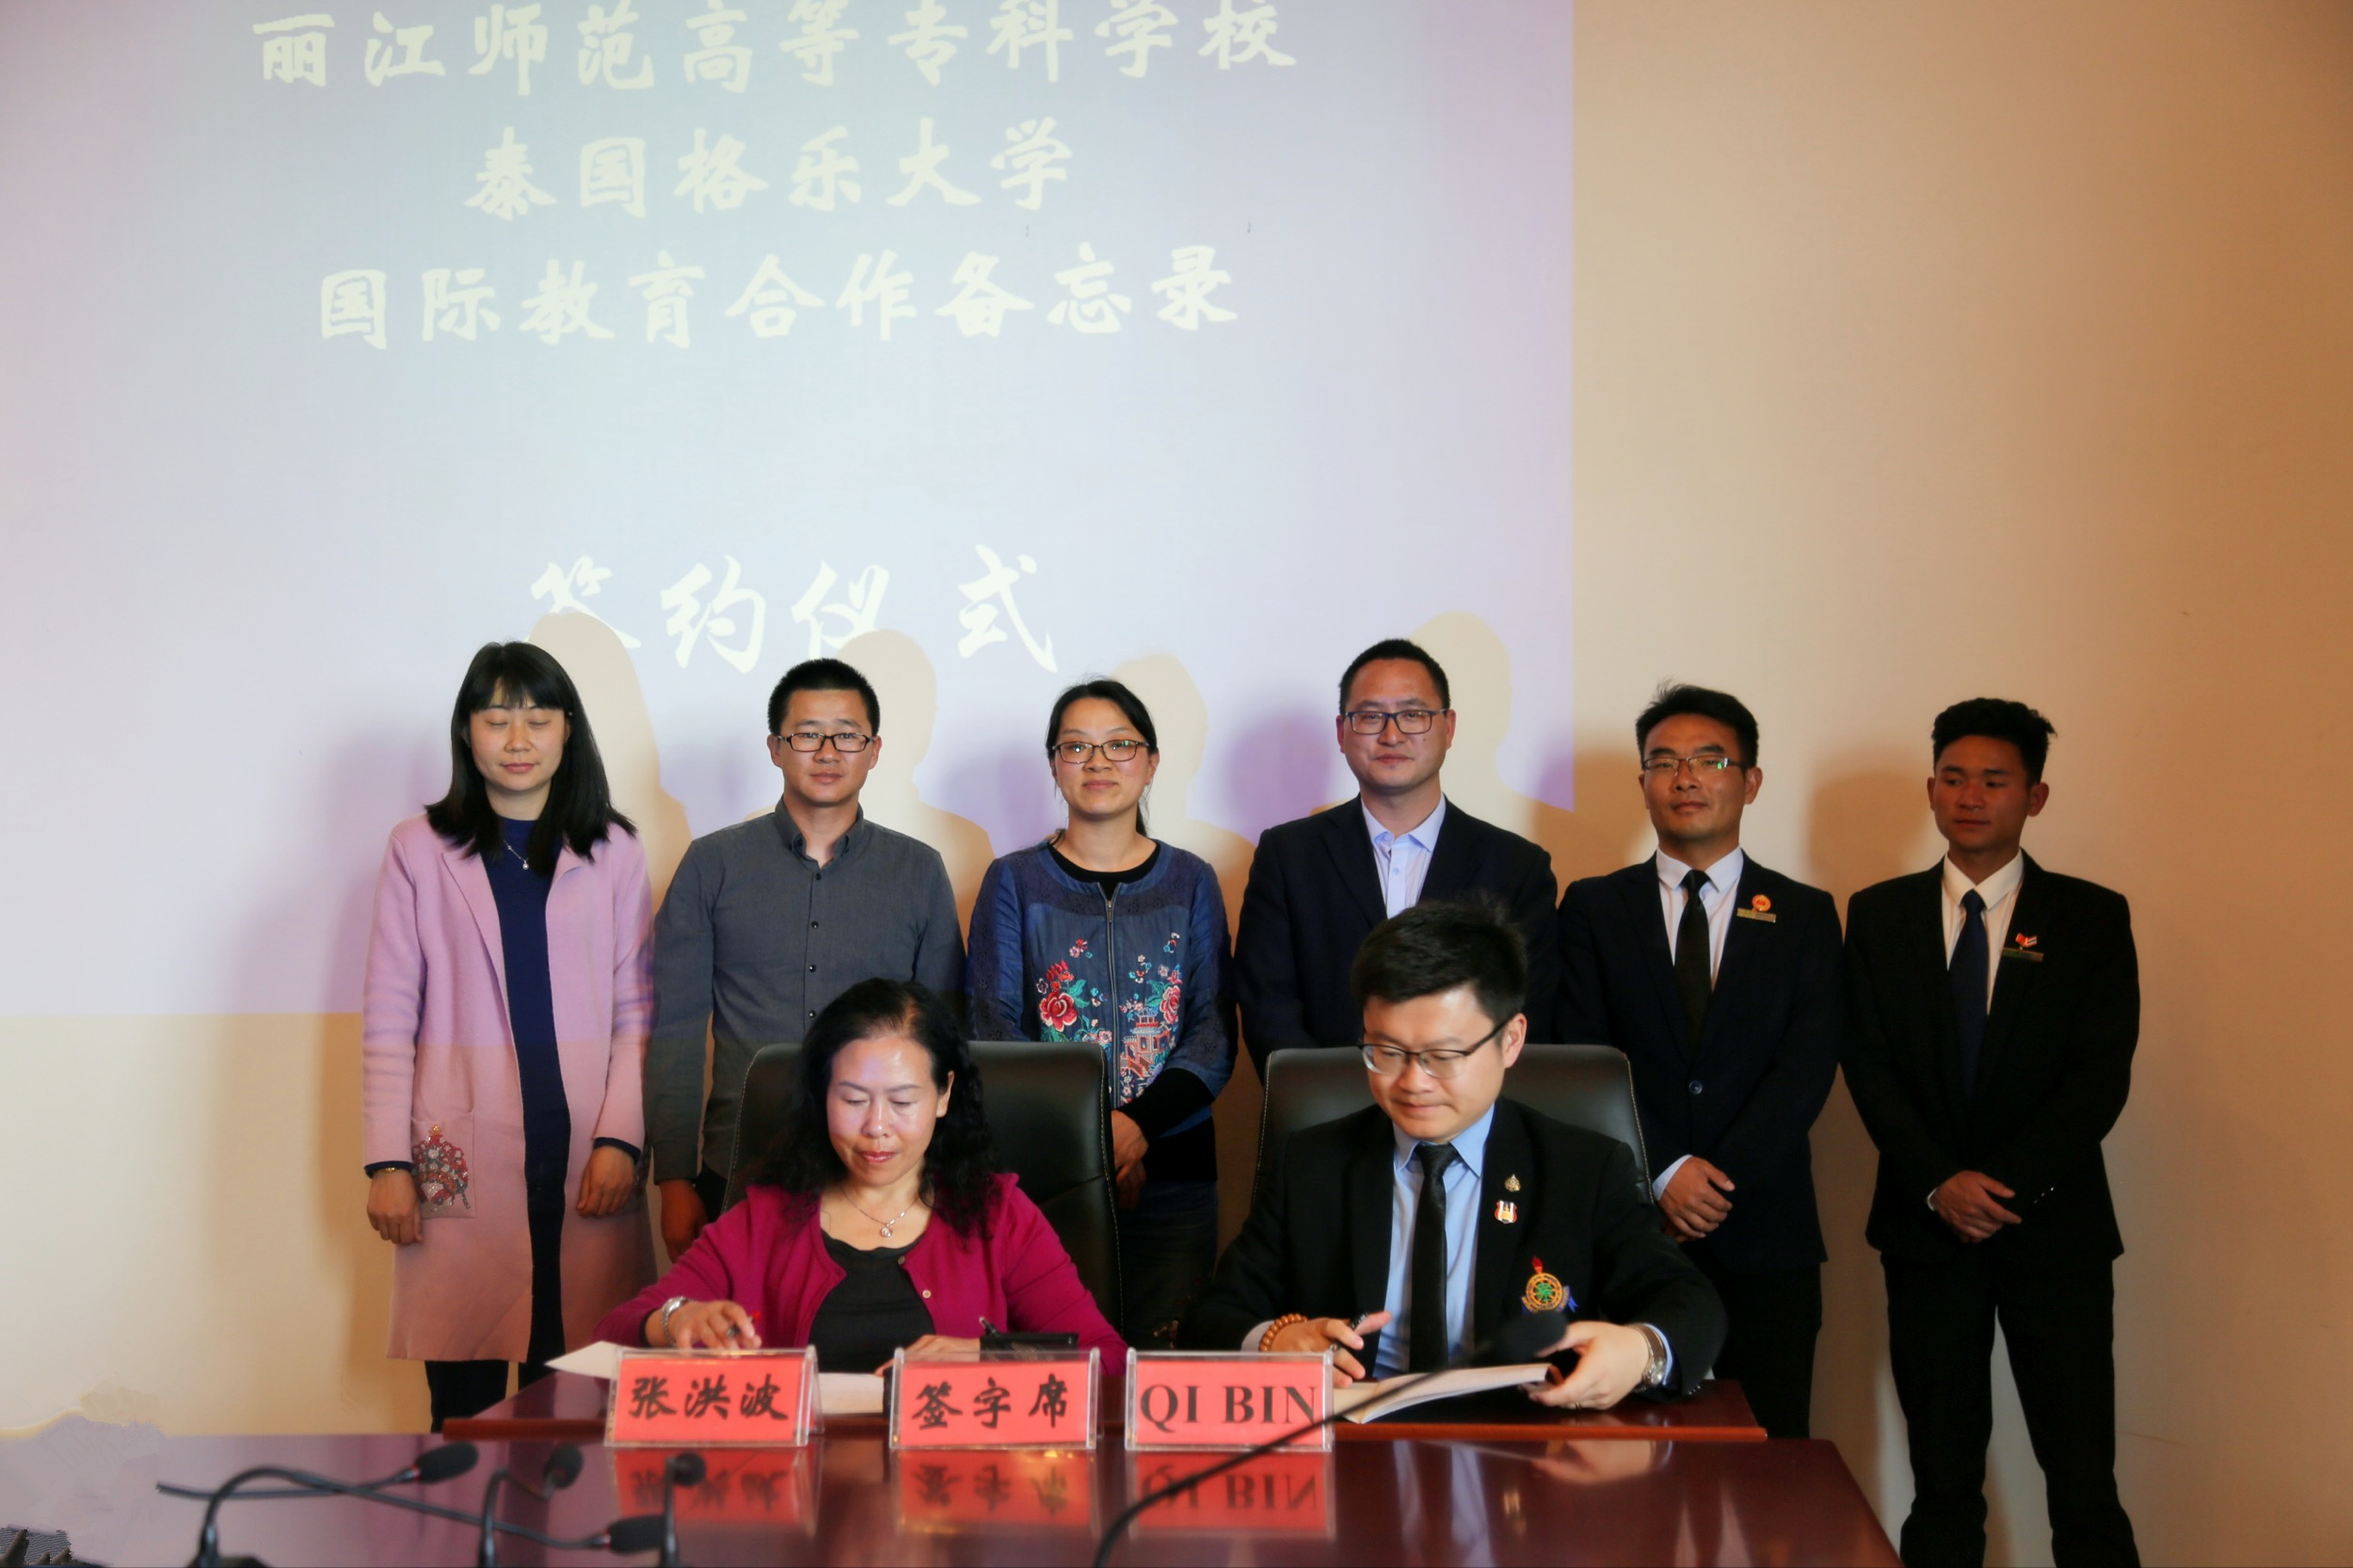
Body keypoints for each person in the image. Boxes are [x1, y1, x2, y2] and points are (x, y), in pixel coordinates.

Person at [1185, 900, 1724, 1411]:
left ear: (1510, 1040)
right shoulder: (1314, 1163)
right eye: (1386, 1051)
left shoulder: (1583, 1168)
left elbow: (1689, 1305)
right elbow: (1211, 1317)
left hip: (1524, 1443)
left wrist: (1642, 1351)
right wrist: (1274, 1341)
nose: (1413, 1082)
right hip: (1358, 1444)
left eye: (1443, 1055)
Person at [1843, 699, 2139, 1568]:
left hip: (2054, 1233)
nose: (1971, 796)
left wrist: (2001, 1186)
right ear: (1931, 789)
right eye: (1954, 778)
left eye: (1995, 780)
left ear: (2035, 797)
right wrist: (1940, 1181)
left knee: (2083, 1484)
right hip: (1926, 1231)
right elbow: (1867, 1065)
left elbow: (2098, 1078)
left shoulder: (2091, 917)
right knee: (1941, 1485)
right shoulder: (1880, 913)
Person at [361, 641, 654, 1431]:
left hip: (587, 1151)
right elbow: (389, 1016)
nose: (517, 740)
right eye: (496, 720)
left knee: (584, 1412)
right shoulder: (419, 848)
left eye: (538, 718)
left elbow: (638, 1010)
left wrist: (621, 1140)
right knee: (468, 1411)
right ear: (467, 732)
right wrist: (388, 1162)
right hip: (462, 1144)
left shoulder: (614, 848)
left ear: (569, 729)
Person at [1554, 684, 1841, 1438]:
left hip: (1766, 1235)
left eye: (1710, 761)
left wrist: (1716, 1182)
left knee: (1769, 1456)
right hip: (1630, 1230)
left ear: (1750, 781)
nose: (1685, 778)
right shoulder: (1593, 907)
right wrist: (1664, 1171)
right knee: (1619, 1461)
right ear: (1644, 782)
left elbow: (1806, 1067)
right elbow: (1583, 1059)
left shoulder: (1806, 914)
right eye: (1665, 762)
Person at [597, 979, 1123, 1368]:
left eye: (903, 1101)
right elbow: (615, 1330)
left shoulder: (997, 1215)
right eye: (852, 1100)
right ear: (822, 1097)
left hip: (954, 1479)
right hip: (802, 1479)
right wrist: (676, 1318)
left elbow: (1108, 1359)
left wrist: (989, 1356)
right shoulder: (766, 1218)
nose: (876, 1128)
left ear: (943, 1096)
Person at [646, 658, 964, 1262]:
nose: (827, 752)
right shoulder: (712, 865)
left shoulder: (919, 871)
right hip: (741, 1161)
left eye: (847, 735)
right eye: (807, 734)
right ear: (775, 748)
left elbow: (943, 1038)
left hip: (884, 1172)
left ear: (874, 751)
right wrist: (675, 1179)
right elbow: (677, 1029)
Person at [967, 679, 1236, 1351]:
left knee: (1165, 1365)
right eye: (1076, 747)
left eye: (1119, 745)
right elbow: (993, 1029)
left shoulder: (1192, 880)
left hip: (1175, 1169)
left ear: (1151, 762)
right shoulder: (1014, 880)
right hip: (1048, 1171)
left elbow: (1212, 1030)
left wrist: (1139, 1126)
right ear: (1054, 765)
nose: (1097, 762)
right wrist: (1095, 1138)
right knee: (1052, 1366)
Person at [1233, 638, 1561, 1072]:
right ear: (1342, 732)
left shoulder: (1517, 867)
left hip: (1467, 1110)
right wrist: (1330, 1101)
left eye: (1413, 715)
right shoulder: (1287, 856)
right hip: (1325, 1106)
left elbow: (1526, 1015)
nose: (1392, 735)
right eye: (1370, 717)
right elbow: (1268, 1007)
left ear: (1448, 727)